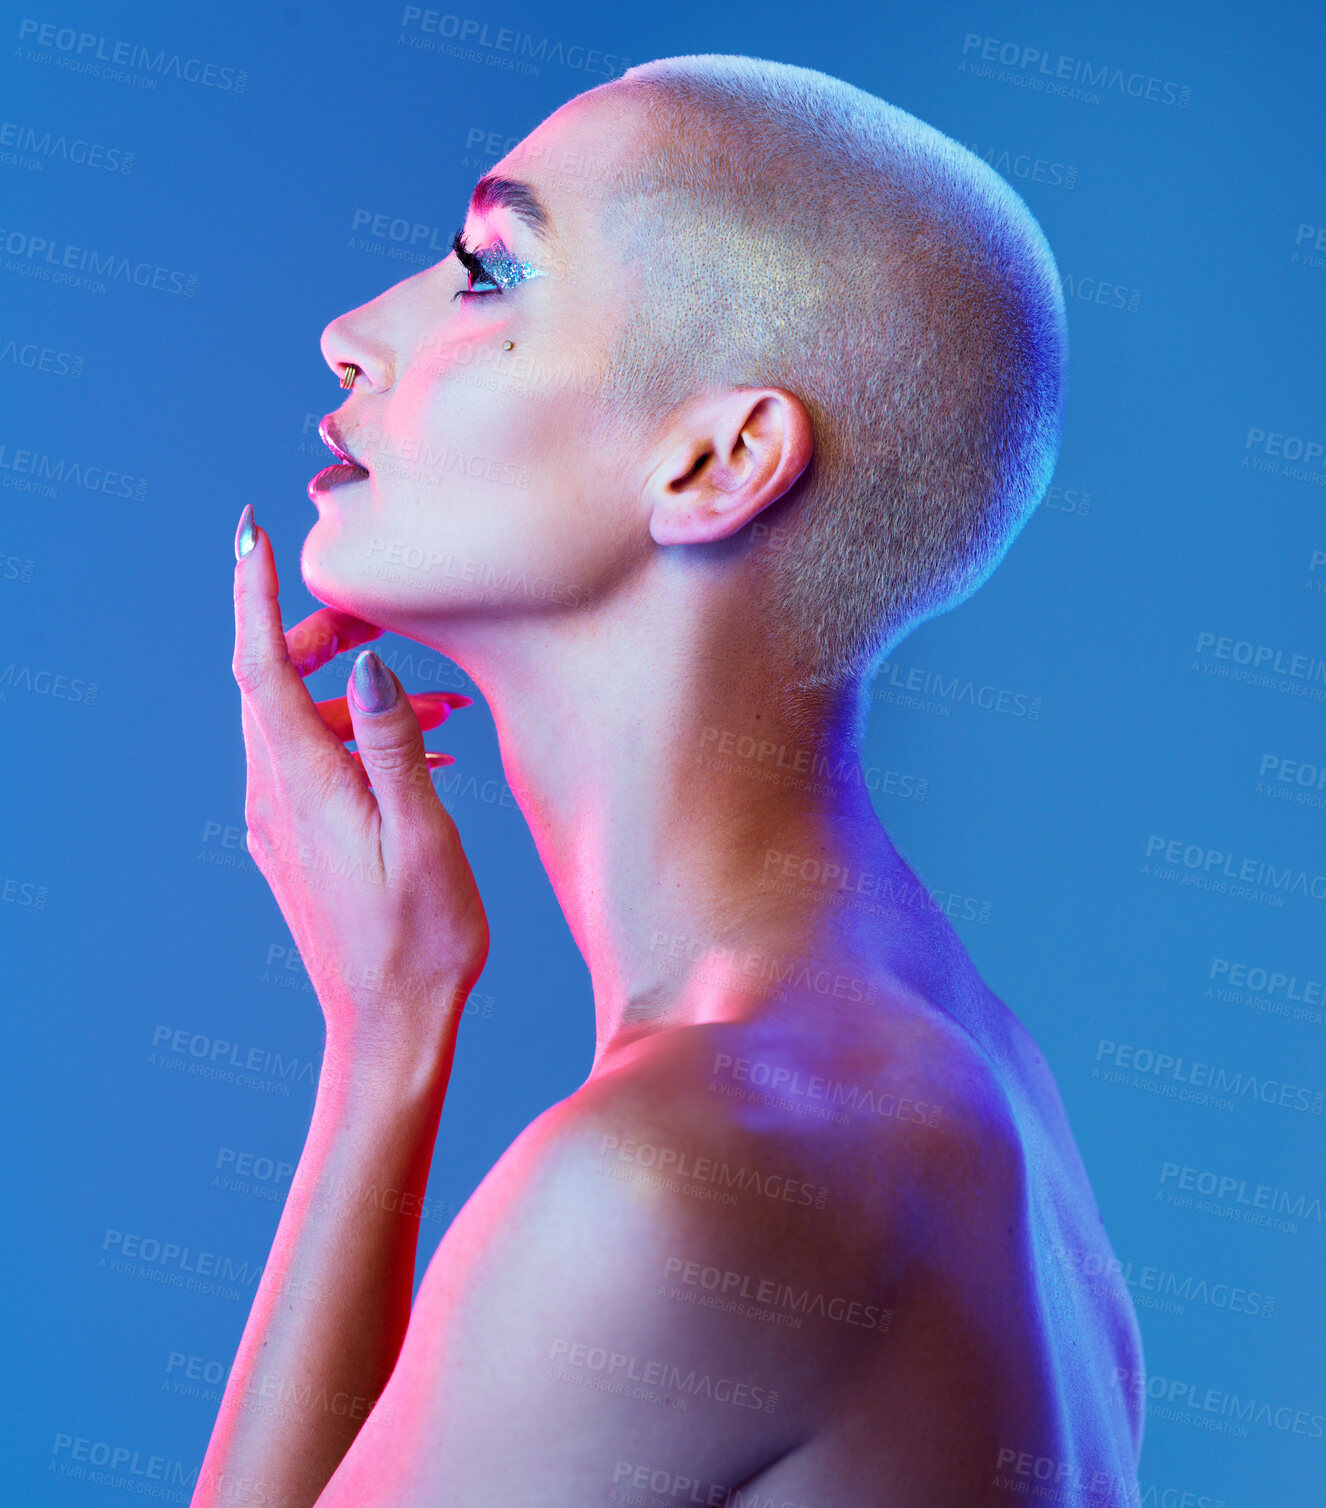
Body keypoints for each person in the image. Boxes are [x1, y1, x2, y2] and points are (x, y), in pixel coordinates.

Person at [197, 54, 1144, 1508]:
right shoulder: (963, 1087)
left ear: (716, 458)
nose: (347, 335)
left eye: (486, 270)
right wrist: (384, 1028)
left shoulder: (681, 1179)